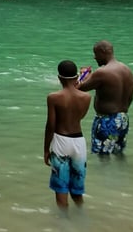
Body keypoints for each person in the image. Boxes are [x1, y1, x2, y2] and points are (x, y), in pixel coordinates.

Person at [44, 60, 91, 211]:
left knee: (61, 188)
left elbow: (51, 125)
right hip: (79, 142)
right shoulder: (86, 97)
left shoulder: (53, 97)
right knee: (77, 188)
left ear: (59, 78)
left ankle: (64, 223)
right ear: (77, 76)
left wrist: (46, 150)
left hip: (61, 141)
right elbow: (79, 117)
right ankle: (81, 218)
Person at [77, 40, 133, 155]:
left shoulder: (102, 72)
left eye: (96, 53)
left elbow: (79, 88)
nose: (94, 57)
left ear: (103, 52)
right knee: (118, 155)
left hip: (107, 120)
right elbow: (130, 97)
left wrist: (81, 80)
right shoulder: (127, 70)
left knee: (102, 157)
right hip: (123, 119)